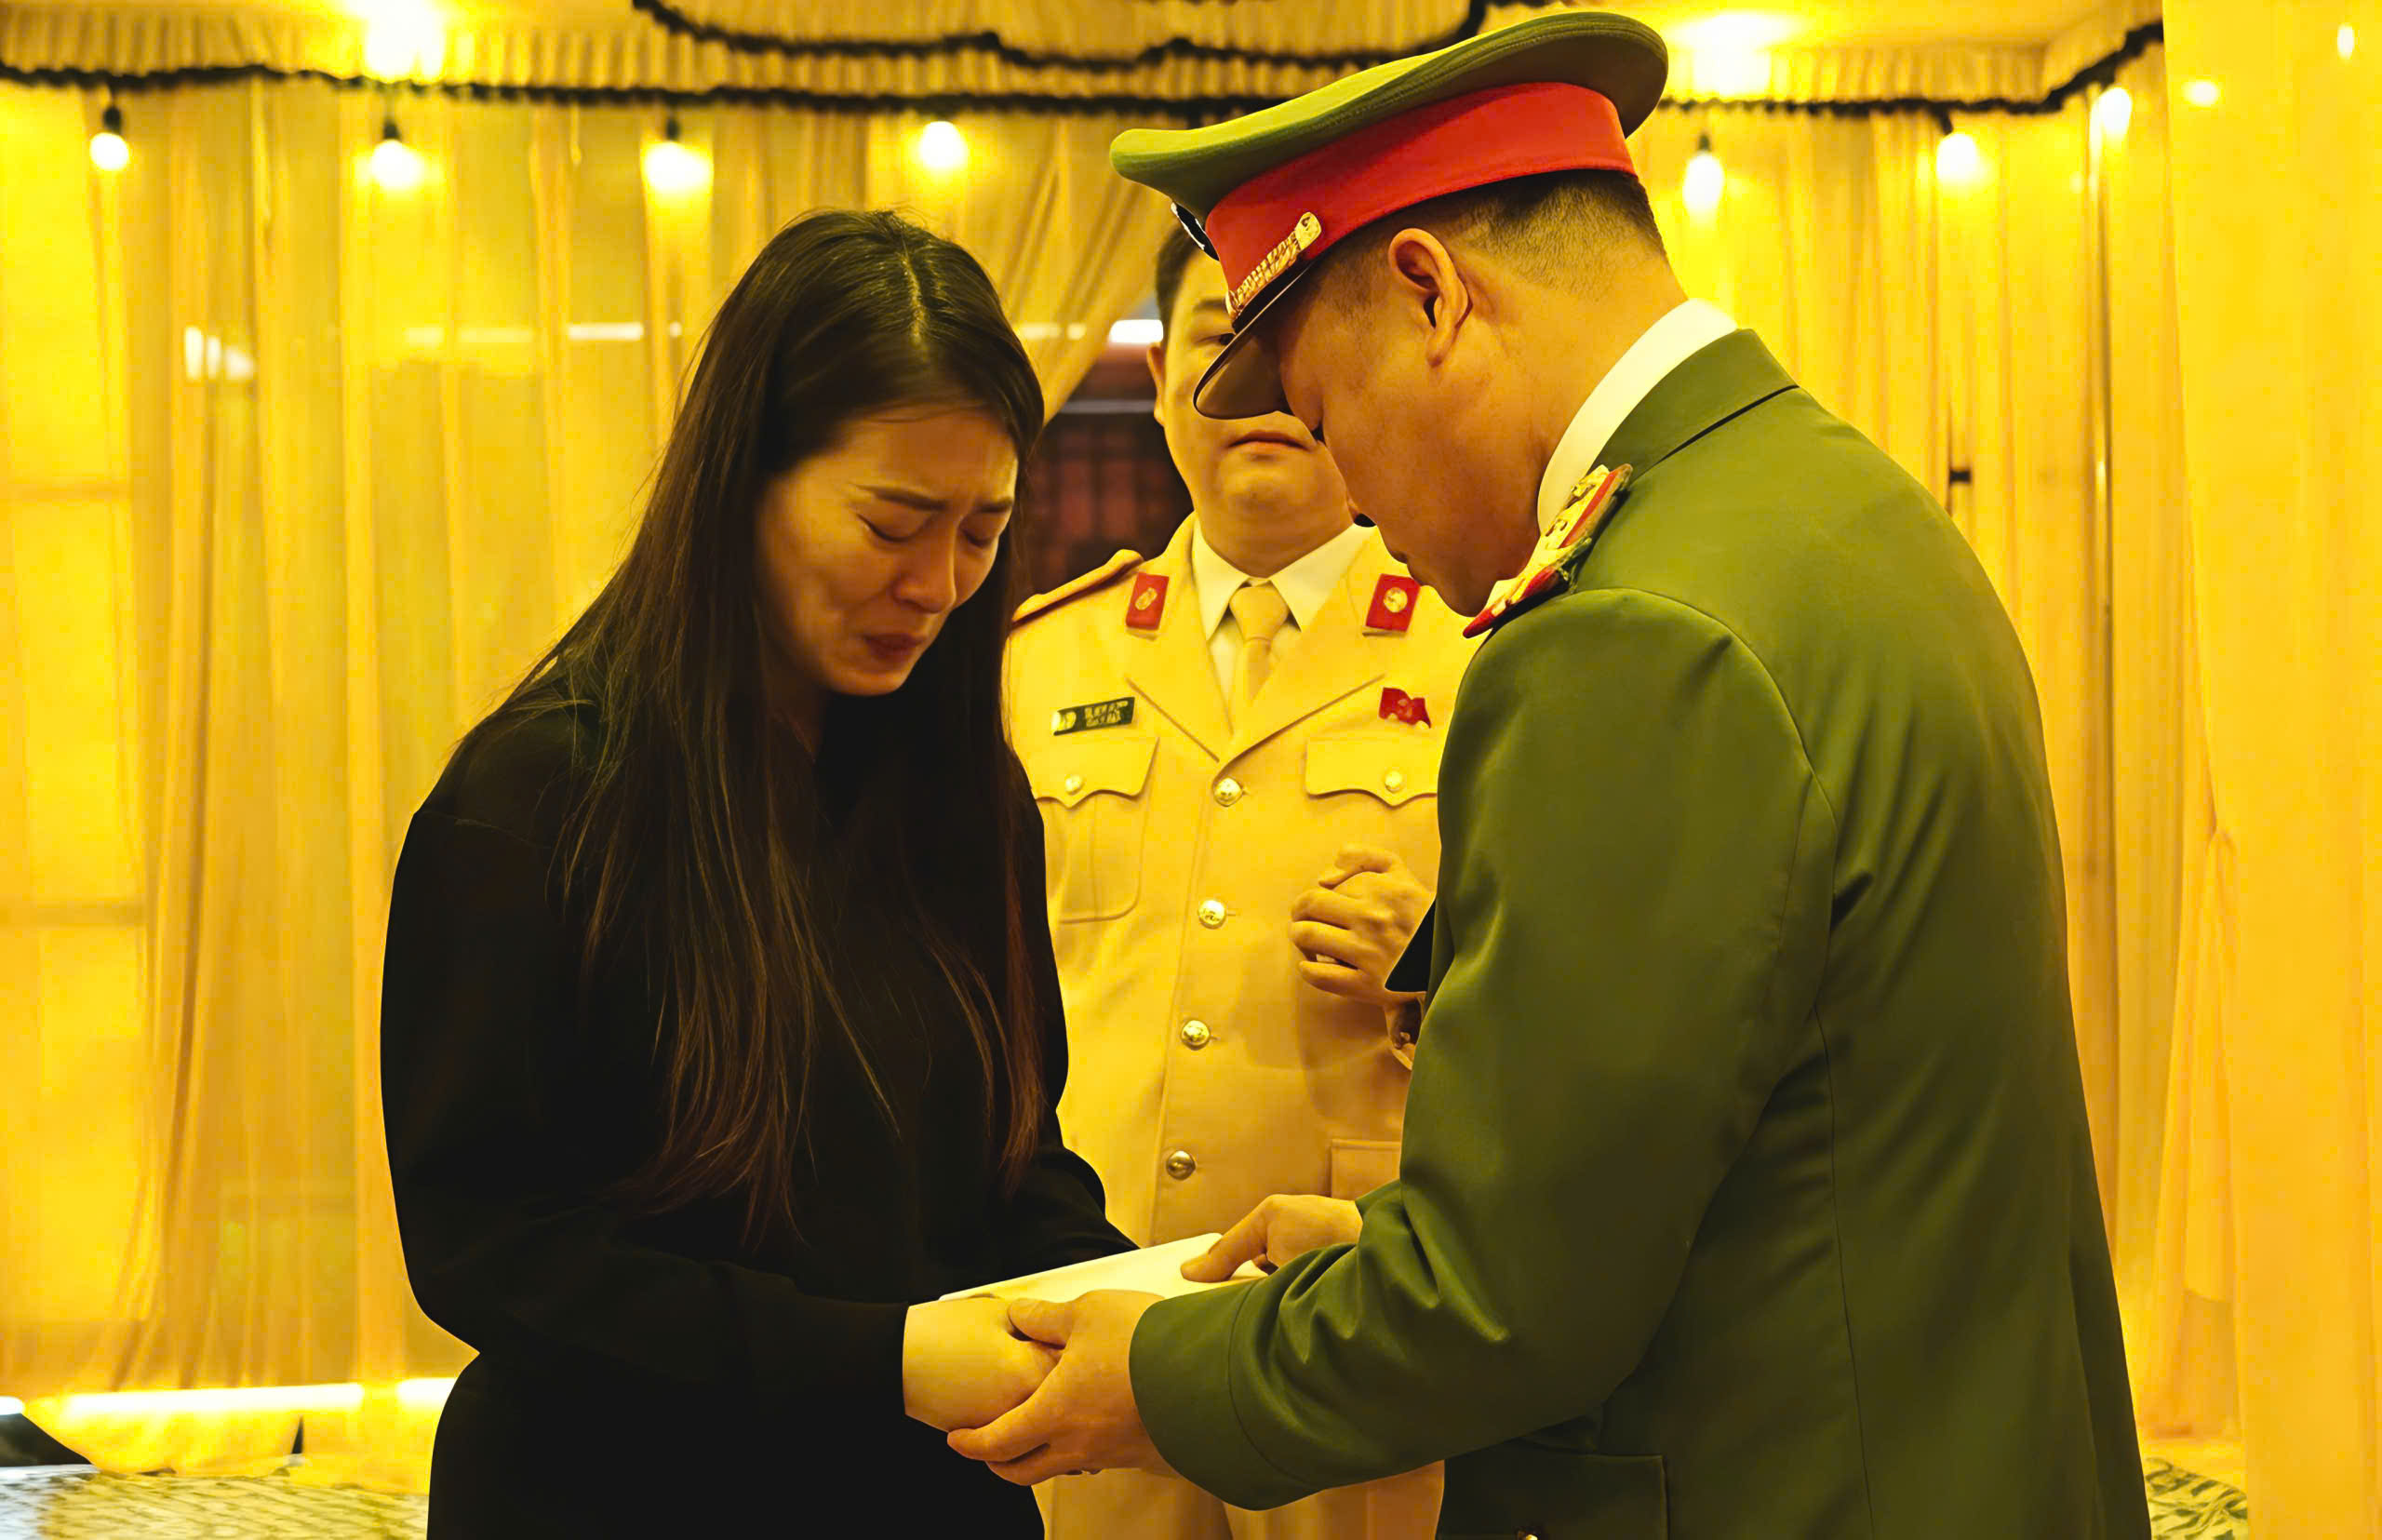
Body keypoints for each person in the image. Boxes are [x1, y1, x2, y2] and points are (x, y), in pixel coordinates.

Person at [947, 12, 2152, 1539]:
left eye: (1328, 416)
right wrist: (1408, 1248)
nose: (1354, 495)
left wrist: (1160, 1378)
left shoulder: (1629, 633)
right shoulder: (1830, 511)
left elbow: (1503, 1307)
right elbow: (1770, 1147)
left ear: (1431, 295)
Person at [380, 208, 1131, 1538]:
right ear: (743, 484)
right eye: (894, 524)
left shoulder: (965, 794)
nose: (938, 584)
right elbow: (491, 1252)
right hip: (615, 1496)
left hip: (917, 1497)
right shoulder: (543, 796)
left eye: (982, 532)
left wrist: (1145, 1309)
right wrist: (882, 1359)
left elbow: (1008, 1162)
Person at [1003, 227, 1475, 1540]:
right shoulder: (1038, 661)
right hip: (1086, 1294)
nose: (1258, 385)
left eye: (1293, 342)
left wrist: (1436, 954)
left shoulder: (1483, 647)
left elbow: (1594, 988)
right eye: (1221, 340)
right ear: (1163, 384)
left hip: (1353, 1310)